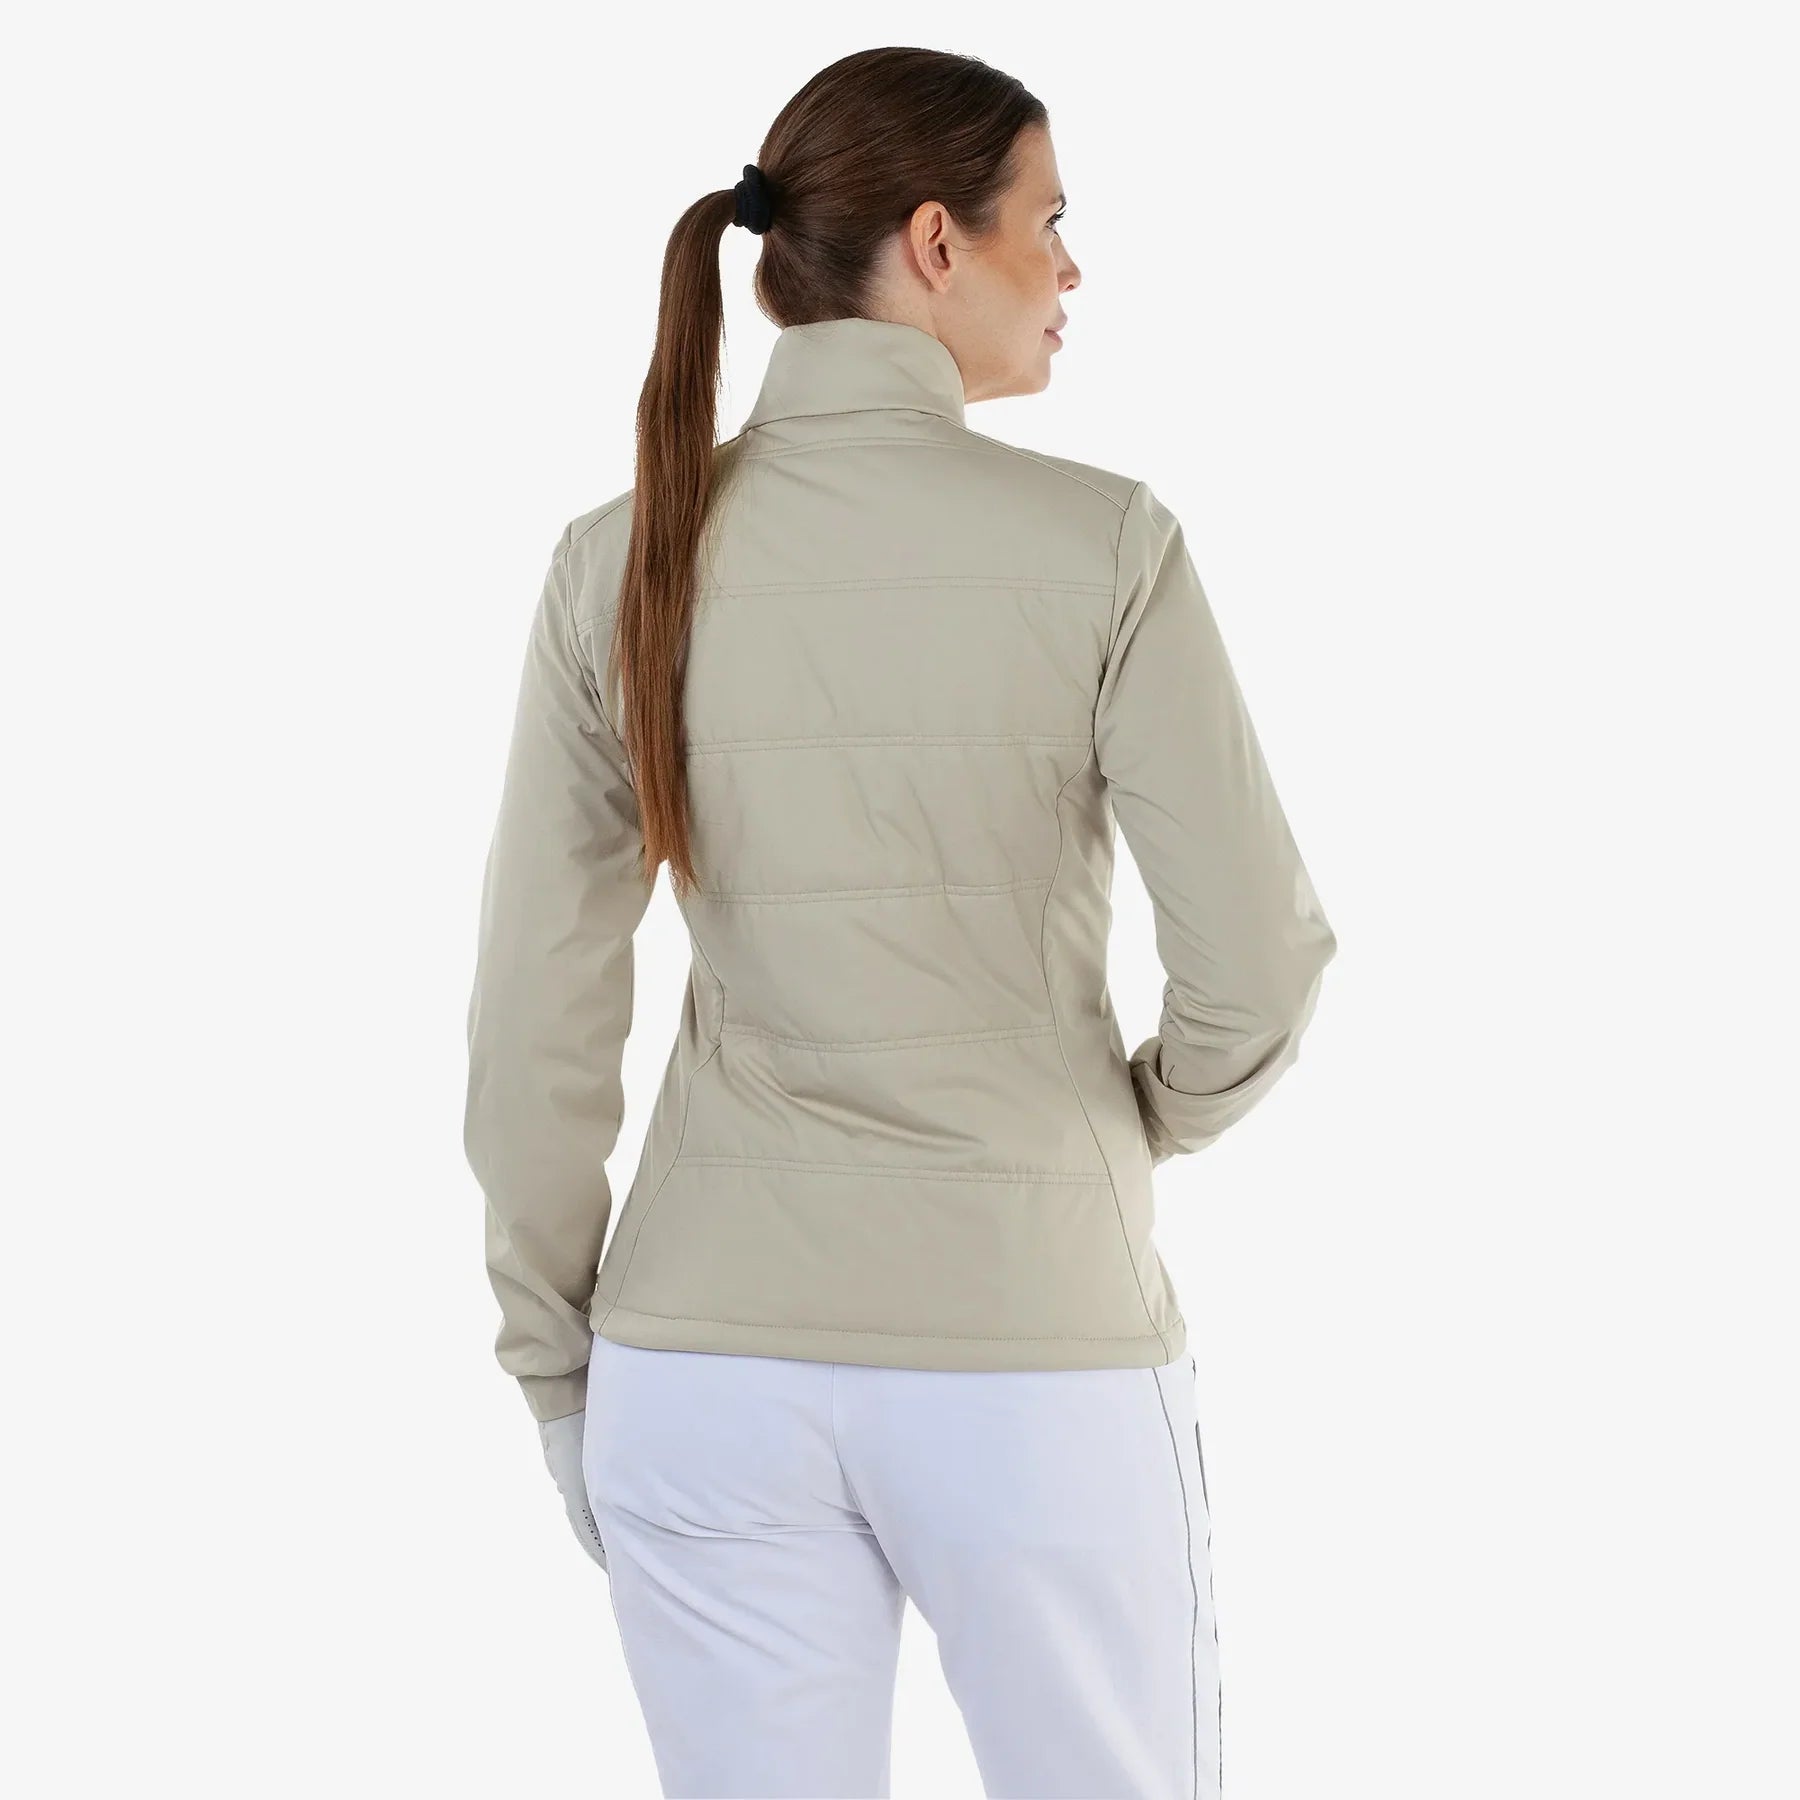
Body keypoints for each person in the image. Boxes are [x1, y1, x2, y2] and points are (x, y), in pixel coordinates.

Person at [463, 44, 1336, 1800]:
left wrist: (556, 1367)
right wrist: (1125, 1124)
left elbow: (535, 1022)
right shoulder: (1105, 546)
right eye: (1050, 222)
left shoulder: (617, 555)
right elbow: (1259, 967)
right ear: (937, 243)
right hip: (1032, 1354)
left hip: (698, 1366)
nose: (1072, 268)